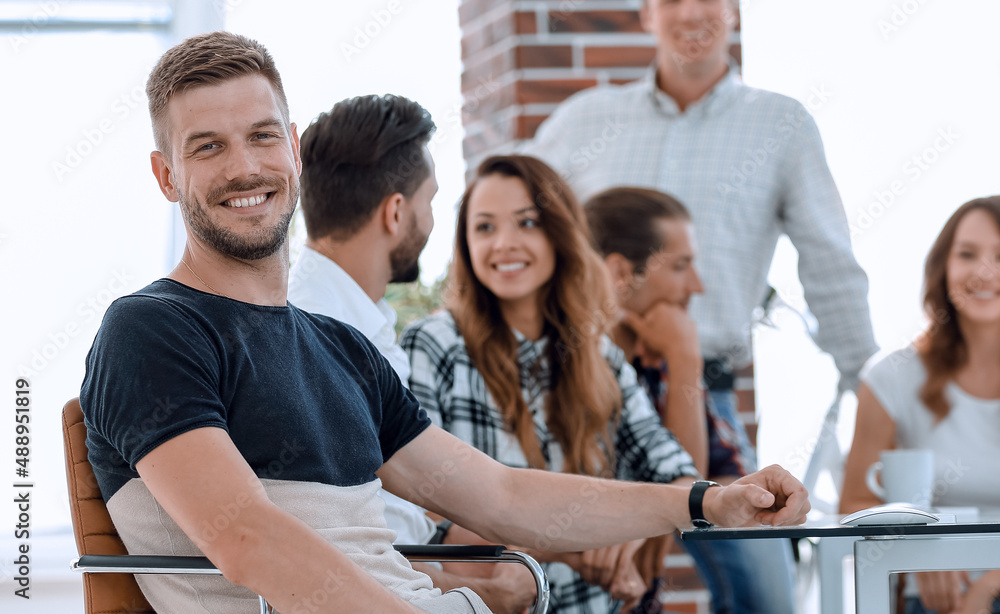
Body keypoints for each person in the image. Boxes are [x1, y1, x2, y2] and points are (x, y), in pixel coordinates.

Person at [79, 31, 810, 614]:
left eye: (263, 137)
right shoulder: (152, 328)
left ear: (293, 150)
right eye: (207, 146)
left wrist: (704, 501)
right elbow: (249, 539)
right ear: (166, 176)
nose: (245, 167)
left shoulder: (340, 347)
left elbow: (501, 496)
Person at [401, 154, 776, 613]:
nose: (503, 243)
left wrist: (635, 530)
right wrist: (581, 542)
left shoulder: (599, 355)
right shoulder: (434, 344)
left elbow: (673, 469)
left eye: (526, 223)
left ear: (559, 234)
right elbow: (428, 519)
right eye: (484, 228)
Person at [525, 0, 879, 472]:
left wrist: (871, 386)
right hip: (588, 383)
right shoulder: (584, 120)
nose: (691, 13)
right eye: (671, 1)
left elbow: (828, 261)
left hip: (704, 388)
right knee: (572, 540)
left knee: (752, 542)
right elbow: (518, 220)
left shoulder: (782, 125)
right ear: (647, 14)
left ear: (734, 9)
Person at [288, 93, 535, 613]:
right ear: (396, 212)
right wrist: (490, 595)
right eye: (430, 200)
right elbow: (340, 554)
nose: (431, 220)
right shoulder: (319, 335)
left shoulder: (352, 319)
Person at [585, 186, 796, 612]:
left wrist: (683, 359)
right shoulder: (576, 363)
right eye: (681, 266)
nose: (697, 286)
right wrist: (684, 355)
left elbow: (690, 490)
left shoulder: (658, 354)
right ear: (621, 273)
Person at [841, 196, 1000, 614]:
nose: (984, 271)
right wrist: (921, 544)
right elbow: (854, 505)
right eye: (967, 254)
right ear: (943, 266)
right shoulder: (891, 376)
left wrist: (990, 587)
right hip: (934, 602)